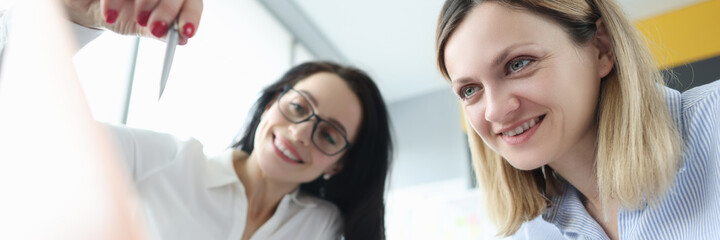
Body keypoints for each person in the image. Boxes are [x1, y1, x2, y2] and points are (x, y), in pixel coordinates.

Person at [0, 0, 393, 239]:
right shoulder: (155, 161)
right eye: (297, 106)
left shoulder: (320, 227)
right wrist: (68, 16)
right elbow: (24, 132)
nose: (300, 132)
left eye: (328, 135)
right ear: (271, 103)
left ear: (340, 162)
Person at [435, 0, 719, 239]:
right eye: (470, 90)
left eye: (518, 64)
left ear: (601, 48)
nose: (494, 111)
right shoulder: (536, 231)